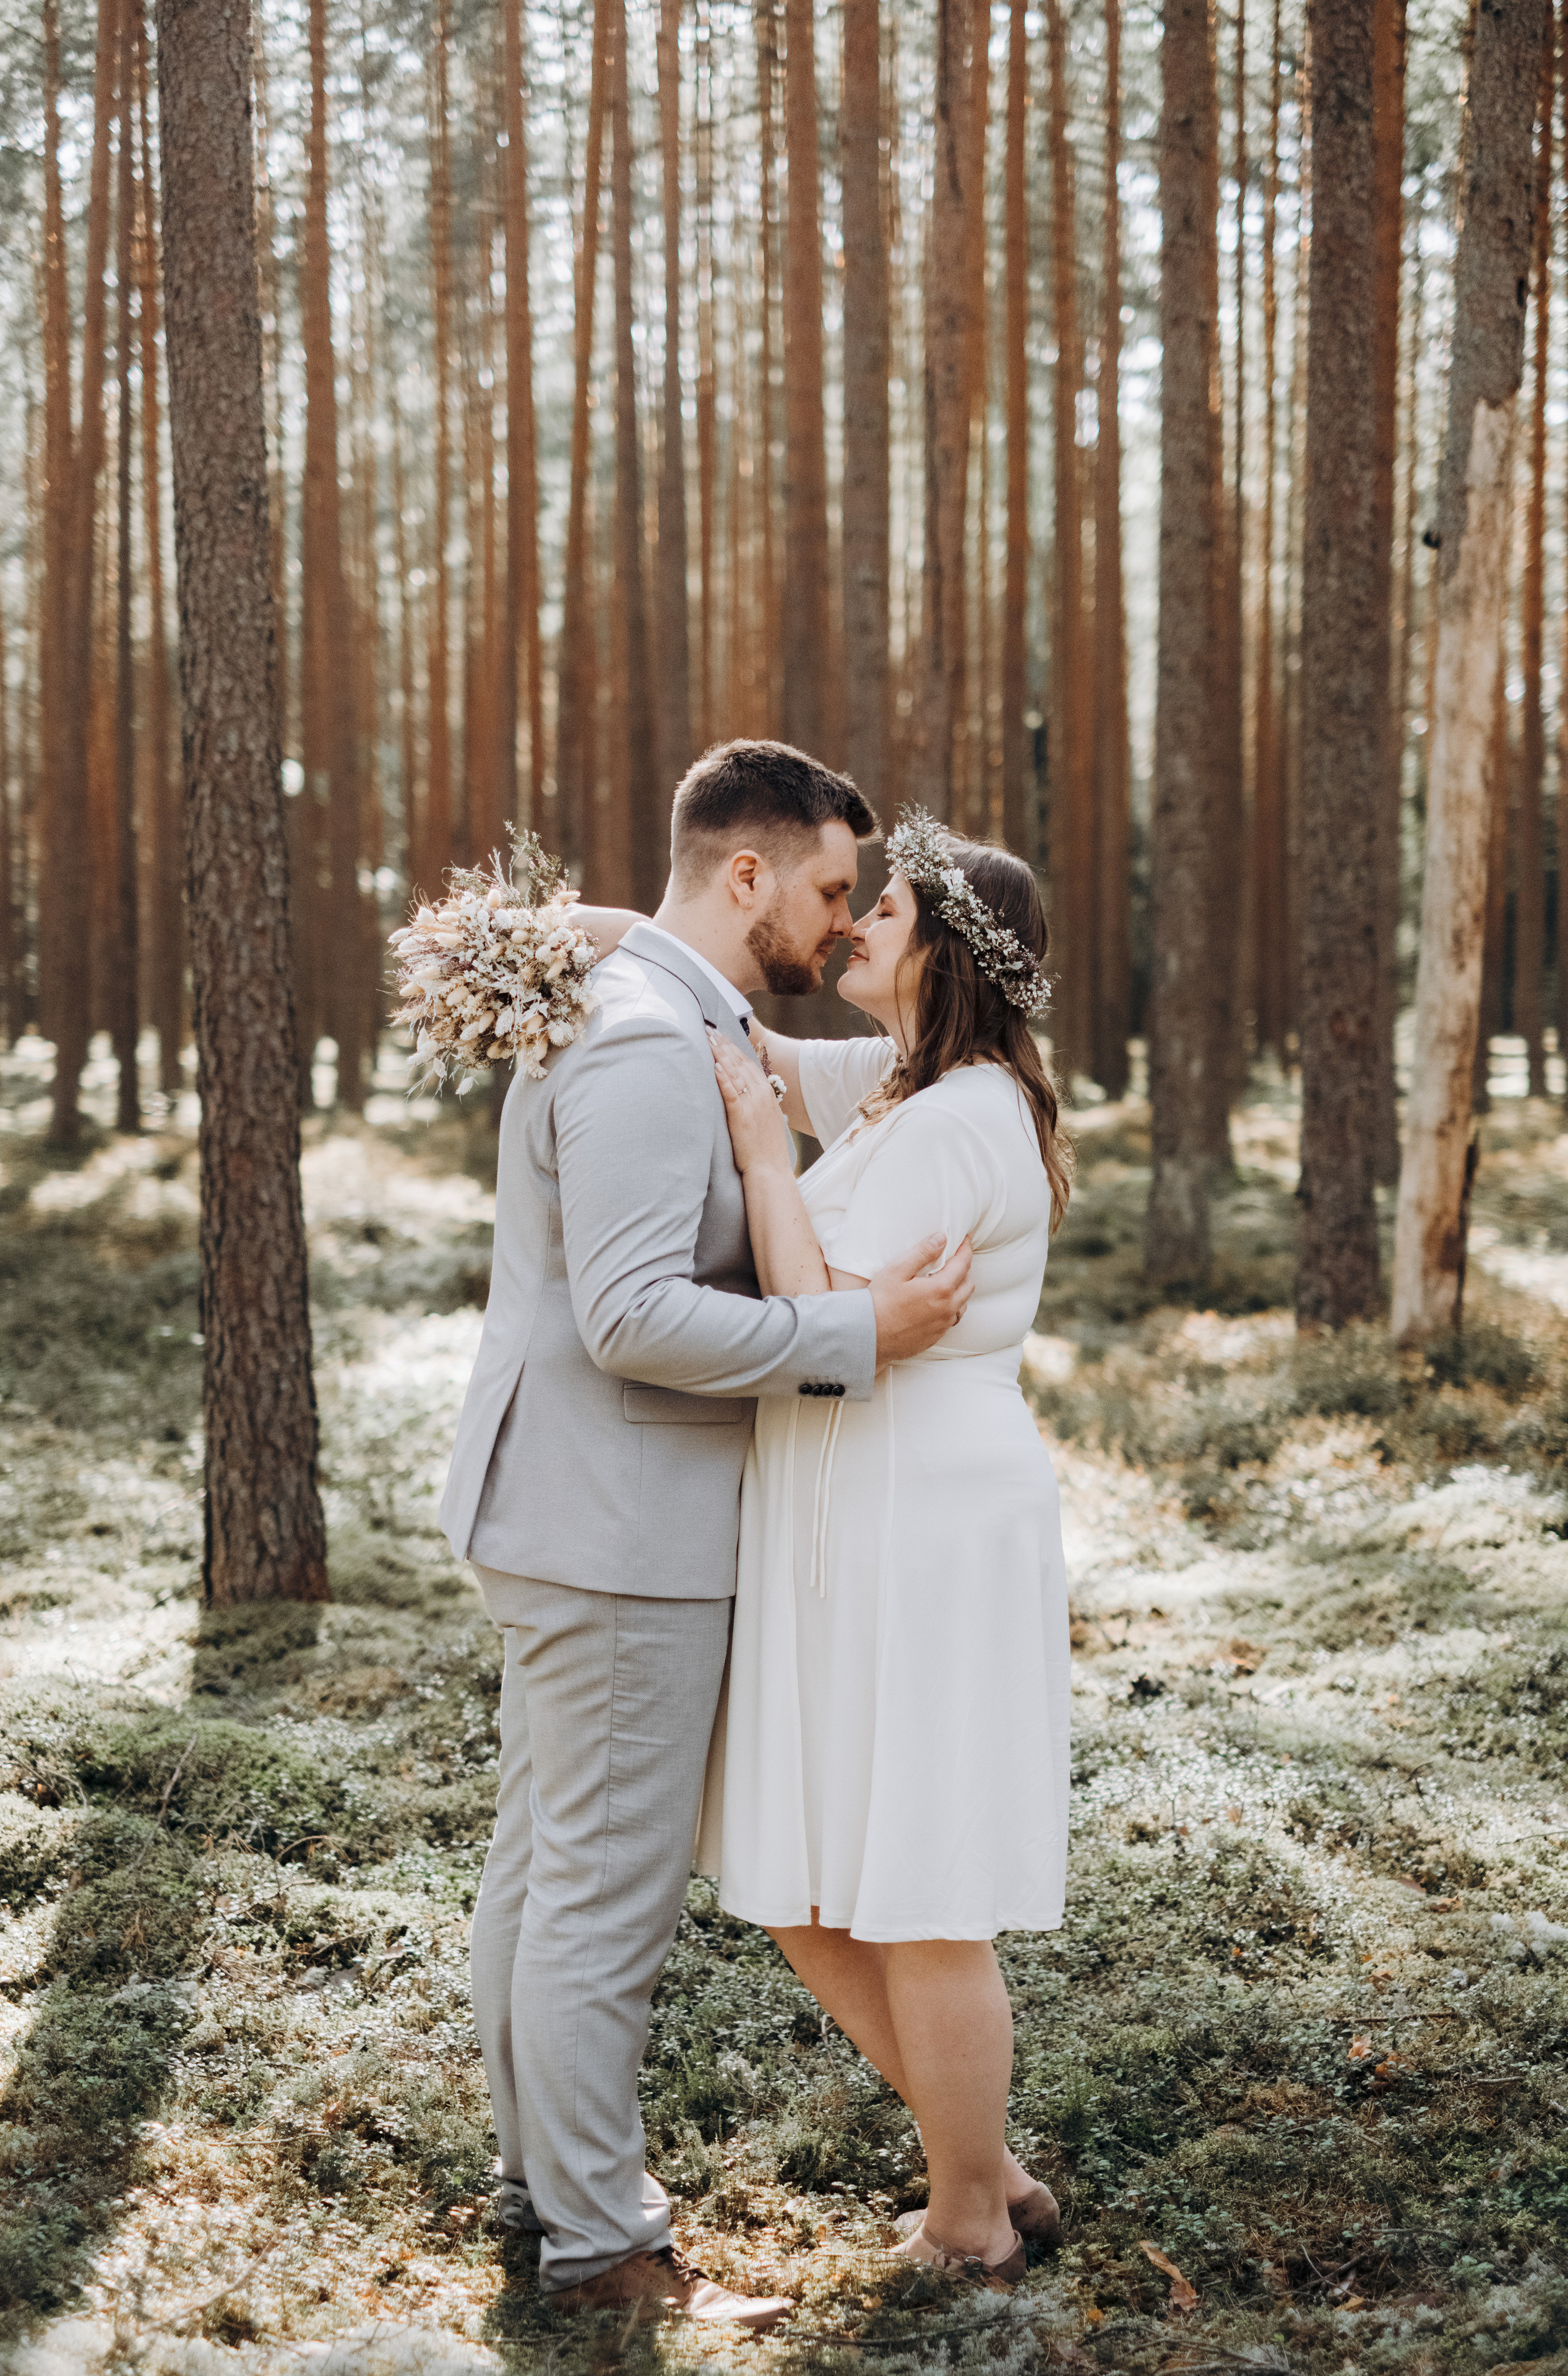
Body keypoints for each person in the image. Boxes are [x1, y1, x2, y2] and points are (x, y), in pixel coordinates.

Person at [439, 741, 973, 2328]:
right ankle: (604, 2253)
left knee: (545, 1875)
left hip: (580, 1510)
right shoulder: (639, 1042)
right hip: (616, 1522)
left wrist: (622, 925)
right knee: (601, 1897)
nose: (837, 920)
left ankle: (549, 2193)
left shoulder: (691, 1010)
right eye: (821, 887)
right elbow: (627, 1316)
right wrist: (851, 1330)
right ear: (744, 874)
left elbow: (867, 1077)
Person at [697, 809, 1074, 2292]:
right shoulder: (893, 1084)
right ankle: (991, 2168)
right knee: (799, 1883)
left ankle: (967, 2221)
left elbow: (818, 1311)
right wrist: (569, 940)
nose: (851, 927)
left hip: (921, 1511)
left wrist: (750, 1153)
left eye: (886, 910)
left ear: (948, 951)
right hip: (845, 1511)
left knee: (917, 1882)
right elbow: (737, 1020)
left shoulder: (968, 1113)